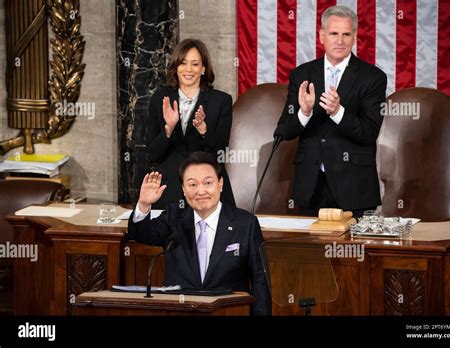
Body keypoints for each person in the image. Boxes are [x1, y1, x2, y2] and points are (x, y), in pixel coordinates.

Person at [274, 5, 387, 218]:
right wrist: (304, 112)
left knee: (354, 252)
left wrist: (338, 112)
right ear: (322, 36)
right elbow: (284, 130)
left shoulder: (372, 78)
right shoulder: (302, 74)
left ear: (354, 36)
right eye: (334, 33)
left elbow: (369, 132)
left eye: (346, 34)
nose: (340, 41)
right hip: (311, 186)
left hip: (354, 188)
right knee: (309, 252)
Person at [127, 151, 272, 316]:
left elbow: (261, 281)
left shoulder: (245, 223)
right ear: (183, 189)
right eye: (193, 185)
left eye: (208, 183)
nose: (201, 191)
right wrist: (144, 204)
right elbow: (140, 233)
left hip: (228, 312)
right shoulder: (173, 217)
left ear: (220, 184)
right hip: (180, 311)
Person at [146, 38, 235, 209]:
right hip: (168, 190)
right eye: (183, 63)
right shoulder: (159, 99)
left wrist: (204, 129)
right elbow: (153, 154)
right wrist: (168, 129)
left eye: (195, 64)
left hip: (206, 190)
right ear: (176, 68)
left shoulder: (221, 101)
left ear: (203, 69)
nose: (188, 70)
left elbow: (220, 152)